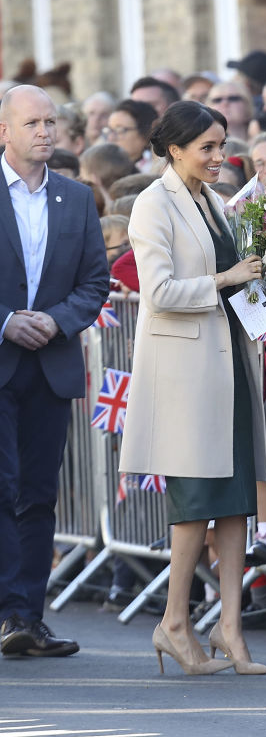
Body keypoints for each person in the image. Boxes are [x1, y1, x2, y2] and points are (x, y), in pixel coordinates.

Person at [118, 100, 266, 676]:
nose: (218, 156)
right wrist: (227, 278)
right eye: (206, 146)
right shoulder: (151, 205)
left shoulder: (214, 203)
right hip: (184, 375)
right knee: (195, 505)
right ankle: (174, 623)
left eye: (221, 144)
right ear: (174, 148)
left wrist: (265, 303)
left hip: (229, 362)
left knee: (235, 504)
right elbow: (158, 291)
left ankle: (230, 631)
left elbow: (235, 284)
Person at [0, 85, 109, 659]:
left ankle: (25, 617)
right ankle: (6, 612)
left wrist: (55, 320)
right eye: (32, 122)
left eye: (51, 121)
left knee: (39, 496)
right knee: (2, 488)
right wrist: (5, 322)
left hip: (50, 364)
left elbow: (95, 281)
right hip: (0, 360)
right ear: (5, 132)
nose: (45, 131)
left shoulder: (75, 197)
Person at [106, 99, 159, 172]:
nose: (111, 138)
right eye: (110, 130)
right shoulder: (102, 167)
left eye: (120, 130)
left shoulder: (159, 171)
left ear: (145, 133)